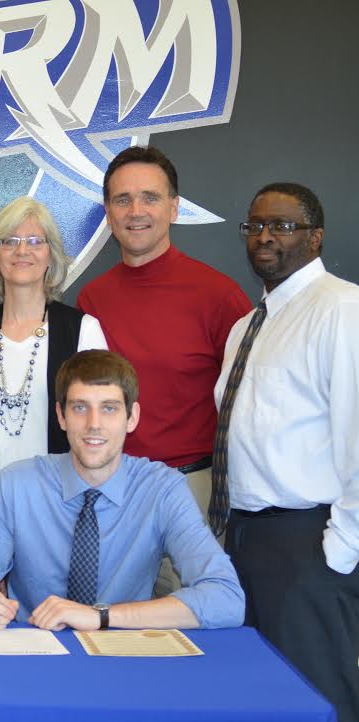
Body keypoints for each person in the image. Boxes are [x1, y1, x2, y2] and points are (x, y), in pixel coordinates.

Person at [0, 350, 243, 632]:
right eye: (80, 407)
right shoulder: (16, 485)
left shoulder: (162, 490)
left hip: (123, 657)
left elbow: (226, 598)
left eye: (109, 409)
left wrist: (101, 616)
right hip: (35, 654)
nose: (93, 424)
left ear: (132, 417)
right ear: (61, 416)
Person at [213, 183, 359, 722]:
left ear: (316, 238)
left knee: (316, 699)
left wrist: (340, 549)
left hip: (308, 544)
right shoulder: (245, 328)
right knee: (255, 700)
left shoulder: (342, 308)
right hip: (245, 539)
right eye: (254, 227)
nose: (265, 237)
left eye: (283, 225)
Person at [77, 145, 251, 594]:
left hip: (190, 491)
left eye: (150, 198)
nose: (136, 211)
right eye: (122, 199)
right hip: (112, 488)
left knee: (186, 631)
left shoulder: (218, 296)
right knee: (112, 629)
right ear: (108, 212)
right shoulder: (90, 301)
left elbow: (247, 405)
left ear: (174, 207)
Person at [0, 197, 107, 543]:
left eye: (35, 241)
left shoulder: (83, 331)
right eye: (10, 241)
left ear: (51, 255)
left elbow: (101, 435)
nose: (22, 251)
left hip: (65, 520)